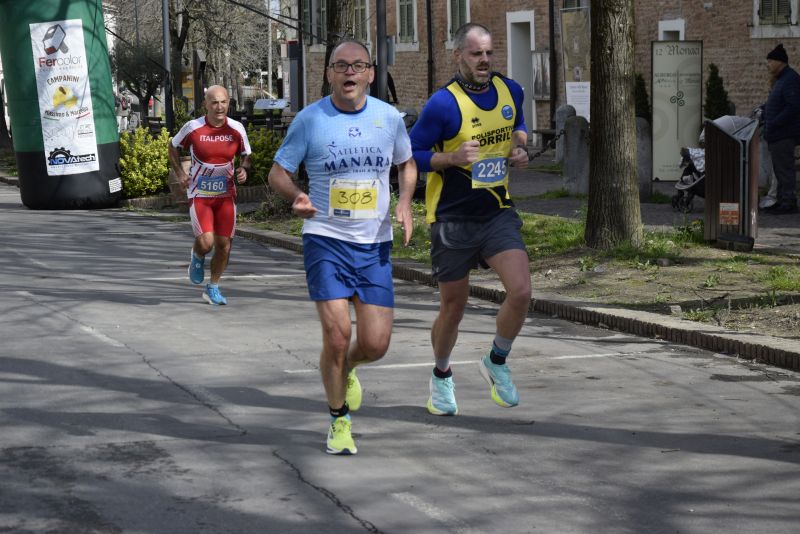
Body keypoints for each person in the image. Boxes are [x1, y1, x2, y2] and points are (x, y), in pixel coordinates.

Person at [267, 39, 417, 455]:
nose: (350, 72)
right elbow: (277, 173)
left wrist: (405, 203)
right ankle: (338, 420)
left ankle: (348, 365)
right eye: (341, 65)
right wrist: (296, 195)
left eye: (358, 65)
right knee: (337, 335)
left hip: (374, 243)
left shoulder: (389, 118)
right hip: (325, 239)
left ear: (370, 74)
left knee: (375, 344)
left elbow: (406, 163)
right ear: (330, 73)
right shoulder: (310, 120)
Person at [409, 22, 531, 416]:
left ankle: (496, 360)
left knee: (521, 291)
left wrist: (519, 148)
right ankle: (441, 374)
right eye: (476, 53)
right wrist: (451, 158)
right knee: (454, 307)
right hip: (452, 217)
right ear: (458, 55)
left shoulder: (510, 90)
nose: (484, 60)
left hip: (497, 211)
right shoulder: (443, 104)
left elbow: (518, 126)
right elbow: (411, 153)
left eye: (489, 53)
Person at [168, 85, 252, 305]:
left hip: (226, 195)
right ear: (205, 104)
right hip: (200, 194)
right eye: (214, 102)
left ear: (229, 103)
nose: (219, 107)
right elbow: (172, 146)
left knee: (224, 245)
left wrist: (244, 169)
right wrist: (180, 173)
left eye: (223, 102)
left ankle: (213, 287)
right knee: (206, 243)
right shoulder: (193, 127)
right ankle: (197, 255)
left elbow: (246, 155)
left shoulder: (236, 128)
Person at [762, 43, 800, 215]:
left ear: (780, 62)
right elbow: (778, 102)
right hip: (777, 134)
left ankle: (789, 202)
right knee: (779, 170)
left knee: (785, 170)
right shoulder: (781, 80)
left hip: (784, 134)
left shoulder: (790, 79)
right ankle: (781, 200)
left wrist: (775, 122)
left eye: (770, 61)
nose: (768, 64)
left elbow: (793, 106)